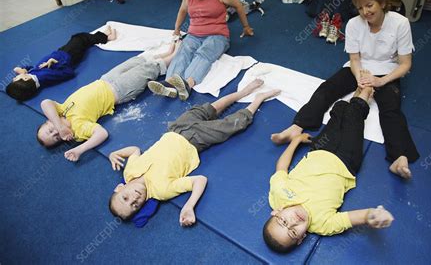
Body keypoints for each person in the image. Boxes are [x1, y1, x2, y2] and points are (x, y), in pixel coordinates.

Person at [271, 0, 419, 179]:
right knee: (327, 88)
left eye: (370, 5)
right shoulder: (353, 25)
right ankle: (296, 127)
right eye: (360, 8)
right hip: (358, 68)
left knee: (391, 110)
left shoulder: (400, 23)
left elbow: (405, 64)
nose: (365, 12)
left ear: (382, 3)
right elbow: (355, 58)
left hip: (387, 71)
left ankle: (399, 157)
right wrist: (360, 78)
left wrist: (380, 81)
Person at [108, 79, 280, 225]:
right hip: (196, 141)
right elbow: (199, 180)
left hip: (176, 129)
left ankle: (242, 92)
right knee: (232, 124)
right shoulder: (161, 191)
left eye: (125, 198)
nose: (134, 199)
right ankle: (258, 99)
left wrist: (114, 153)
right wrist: (189, 205)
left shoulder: (129, 171)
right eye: (135, 206)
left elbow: (134, 150)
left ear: (120, 187)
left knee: (210, 108)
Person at [263, 85, 394, 254]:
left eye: (283, 222)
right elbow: (353, 218)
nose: (293, 222)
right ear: (302, 238)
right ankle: (367, 89)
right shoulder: (322, 225)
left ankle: (359, 94)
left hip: (320, 149)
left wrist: (296, 141)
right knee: (354, 115)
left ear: (276, 212)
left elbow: (281, 167)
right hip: (347, 160)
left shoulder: (278, 196)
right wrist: (372, 216)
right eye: (293, 231)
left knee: (339, 111)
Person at [36, 41, 179, 162]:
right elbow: (101, 134)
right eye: (56, 138)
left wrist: (59, 126)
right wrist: (79, 149)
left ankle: (166, 54)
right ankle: (174, 56)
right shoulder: (78, 128)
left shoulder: (60, 110)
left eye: (50, 130)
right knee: (147, 70)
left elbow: (45, 103)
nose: (56, 132)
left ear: (49, 120)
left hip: (105, 79)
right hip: (120, 90)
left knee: (136, 62)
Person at [148, 0, 254, 101]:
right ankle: (170, 84)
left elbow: (238, 5)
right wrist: (177, 29)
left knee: (204, 53)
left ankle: (187, 84)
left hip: (218, 35)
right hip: (194, 34)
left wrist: (246, 27)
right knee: (183, 51)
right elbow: (183, 10)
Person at [6, 27, 116, 101]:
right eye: (16, 78)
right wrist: (56, 62)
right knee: (80, 38)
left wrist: (23, 69)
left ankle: (98, 37)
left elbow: (31, 68)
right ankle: (106, 37)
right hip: (69, 56)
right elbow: (68, 73)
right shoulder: (44, 77)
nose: (15, 77)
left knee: (82, 43)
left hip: (60, 53)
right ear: (25, 79)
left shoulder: (33, 79)